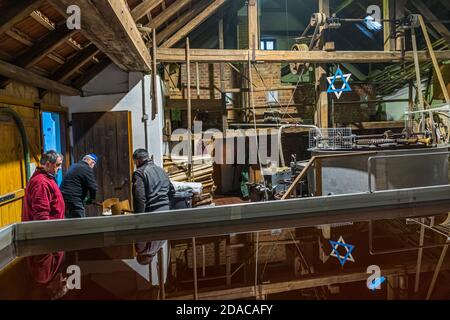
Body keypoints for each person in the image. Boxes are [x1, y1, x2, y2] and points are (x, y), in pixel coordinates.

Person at [132, 149, 174, 264]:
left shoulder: (140, 172)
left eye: (135, 162)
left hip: (152, 214)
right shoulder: (162, 171)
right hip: (165, 212)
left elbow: (139, 198)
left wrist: (138, 218)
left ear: (138, 160)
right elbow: (171, 191)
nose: (135, 166)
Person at [22, 150, 65, 221]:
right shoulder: (41, 183)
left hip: (54, 227)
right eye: (57, 165)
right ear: (48, 165)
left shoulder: (46, 177)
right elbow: (41, 215)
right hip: (49, 230)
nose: (60, 168)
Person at [60, 154, 98, 218]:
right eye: (93, 165)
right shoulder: (86, 168)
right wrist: (91, 198)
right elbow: (93, 187)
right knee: (80, 223)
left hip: (63, 199)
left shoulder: (74, 166)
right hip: (74, 199)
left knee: (69, 222)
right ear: (92, 163)